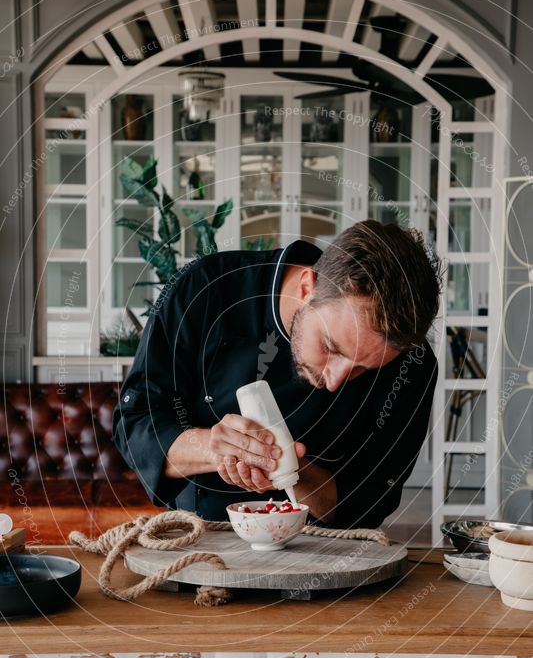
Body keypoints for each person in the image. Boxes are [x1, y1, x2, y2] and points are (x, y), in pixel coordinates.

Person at [112, 219, 442, 529]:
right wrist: (213, 448)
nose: (336, 379)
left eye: (364, 369)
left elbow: (372, 499)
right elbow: (136, 423)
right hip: (201, 542)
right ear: (306, 287)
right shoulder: (206, 288)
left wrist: (292, 471)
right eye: (331, 346)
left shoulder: (413, 367)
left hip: (329, 559)